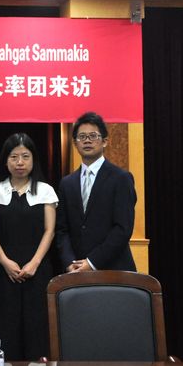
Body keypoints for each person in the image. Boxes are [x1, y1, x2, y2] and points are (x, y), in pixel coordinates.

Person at [0, 133, 57, 361]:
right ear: (5, 161)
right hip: (4, 271)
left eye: (25, 156)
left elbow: (50, 231)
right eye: (14, 157)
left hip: (38, 270)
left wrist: (34, 263)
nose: (19, 162)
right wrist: (4, 261)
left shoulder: (45, 190)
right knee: (6, 329)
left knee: (37, 329)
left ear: (33, 159)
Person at [56, 111, 136, 272]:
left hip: (114, 269)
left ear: (105, 141)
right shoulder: (67, 183)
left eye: (93, 136)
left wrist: (92, 263)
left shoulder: (121, 178)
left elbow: (123, 228)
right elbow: (61, 230)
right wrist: (70, 262)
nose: (87, 140)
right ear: (75, 143)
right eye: (82, 137)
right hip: (76, 270)